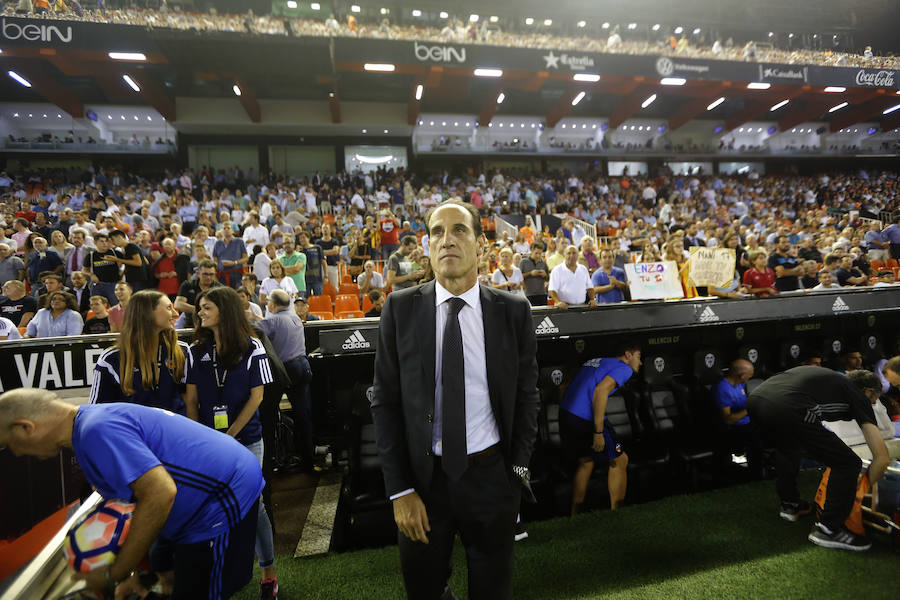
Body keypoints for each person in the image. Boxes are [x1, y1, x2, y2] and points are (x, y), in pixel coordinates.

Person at [372, 200, 540, 600]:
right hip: (422, 483)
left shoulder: (513, 310)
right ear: (428, 246)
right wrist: (399, 491)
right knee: (425, 590)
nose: (447, 240)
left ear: (480, 244)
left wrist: (515, 473)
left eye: (459, 230)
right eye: (436, 232)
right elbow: (385, 403)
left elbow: (528, 396)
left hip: (491, 477)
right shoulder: (399, 309)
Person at [0, 388, 263, 599]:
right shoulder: (89, 425)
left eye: (10, 445)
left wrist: (116, 572)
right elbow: (134, 503)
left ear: (26, 428)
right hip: (208, 497)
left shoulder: (95, 430)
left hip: (222, 495)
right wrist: (132, 574)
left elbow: (160, 492)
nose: (18, 453)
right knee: (175, 576)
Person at [182, 287, 279, 598]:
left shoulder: (252, 347)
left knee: (255, 504)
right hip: (209, 444)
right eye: (200, 308)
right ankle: (221, 571)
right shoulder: (196, 351)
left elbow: (258, 397)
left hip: (246, 440)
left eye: (206, 307)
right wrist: (202, 439)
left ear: (223, 310)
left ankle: (268, 573)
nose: (200, 312)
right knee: (212, 505)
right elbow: (192, 401)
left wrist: (230, 434)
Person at [747, 368, 890, 550]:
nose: (871, 405)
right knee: (848, 462)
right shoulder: (858, 395)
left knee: (788, 447)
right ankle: (828, 529)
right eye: (873, 401)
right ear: (867, 392)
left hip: (756, 400)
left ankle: (790, 504)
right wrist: (861, 488)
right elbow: (882, 457)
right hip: (789, 405)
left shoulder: (828, 382)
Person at [560, 343, 642, 515]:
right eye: (639, 357)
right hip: (585, 418)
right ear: (628, 354)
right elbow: (600, 391)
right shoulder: (623, 368)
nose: (640, 363)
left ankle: (574, 515)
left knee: (586, 461)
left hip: (566, 414)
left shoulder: (595, 361)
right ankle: (617, 515)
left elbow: (564, 386)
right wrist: (598, 432)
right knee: (620, 460)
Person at [90, 290, 189, 413]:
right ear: (147, 313)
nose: (175, 314)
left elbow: (190, 400)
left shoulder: (182, 351)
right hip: (131, 430)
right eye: (169, 308)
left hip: (174, 430)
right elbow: (97, 410)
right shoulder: (111, 358)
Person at [257, 289, 314, 471]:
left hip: (285, 369)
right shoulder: (296, 317)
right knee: (303, 415)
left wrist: (252, 317)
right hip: (303, 366)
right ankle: (308, 460)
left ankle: (270, 459)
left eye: (268, 304)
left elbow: (252, 329)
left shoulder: (272, 320)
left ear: (273, 304)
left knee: (269, 414)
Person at [712, 359, 763, 478]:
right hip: (730, 429)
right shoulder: (722, 389)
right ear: (740, 375)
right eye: (749, 375)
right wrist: (748, 410)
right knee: (756, 438)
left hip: (746, 424)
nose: (750, 378)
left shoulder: (740, 384)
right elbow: (727, 419)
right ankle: (756, 475)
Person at [174, 259, 223, 328]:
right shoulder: (188, 285)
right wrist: (199, 310)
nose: (208, 277)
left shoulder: (220, 288)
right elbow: (178, 304)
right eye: (205, 274)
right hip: (190, 324)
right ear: (198, 274)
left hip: (213, 325)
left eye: (211, 274)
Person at [548, 245, 598, 309]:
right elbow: (552, 289)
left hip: (582, 307)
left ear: (578, 255)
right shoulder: (557, 270)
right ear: (564, 255)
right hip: (563, 308)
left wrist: (592, 299)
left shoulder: (583, 269)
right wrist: (558, 302)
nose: (571, 255)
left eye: (574, 253)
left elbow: (590, 287)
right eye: (569, 253)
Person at [213, 224, 249, 289]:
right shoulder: (218, 243)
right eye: (224, 228)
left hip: (236, 273)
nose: (226, 230)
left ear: (232, 231)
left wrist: (234, 262)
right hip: (222, 274)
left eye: (228, 228)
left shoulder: (239, 241)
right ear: (221, 231)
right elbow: (215, 259)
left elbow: (246, 258)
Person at [519, 241, 549, 306]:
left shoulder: (543, 263)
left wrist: (545, 275)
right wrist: (530, 274)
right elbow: (518, 277)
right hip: (528, 294)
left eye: (540, 253)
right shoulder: (523, 262)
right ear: (532, 250)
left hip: (542, 294)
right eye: (536, 253)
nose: (538, 256)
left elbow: (548, 279)